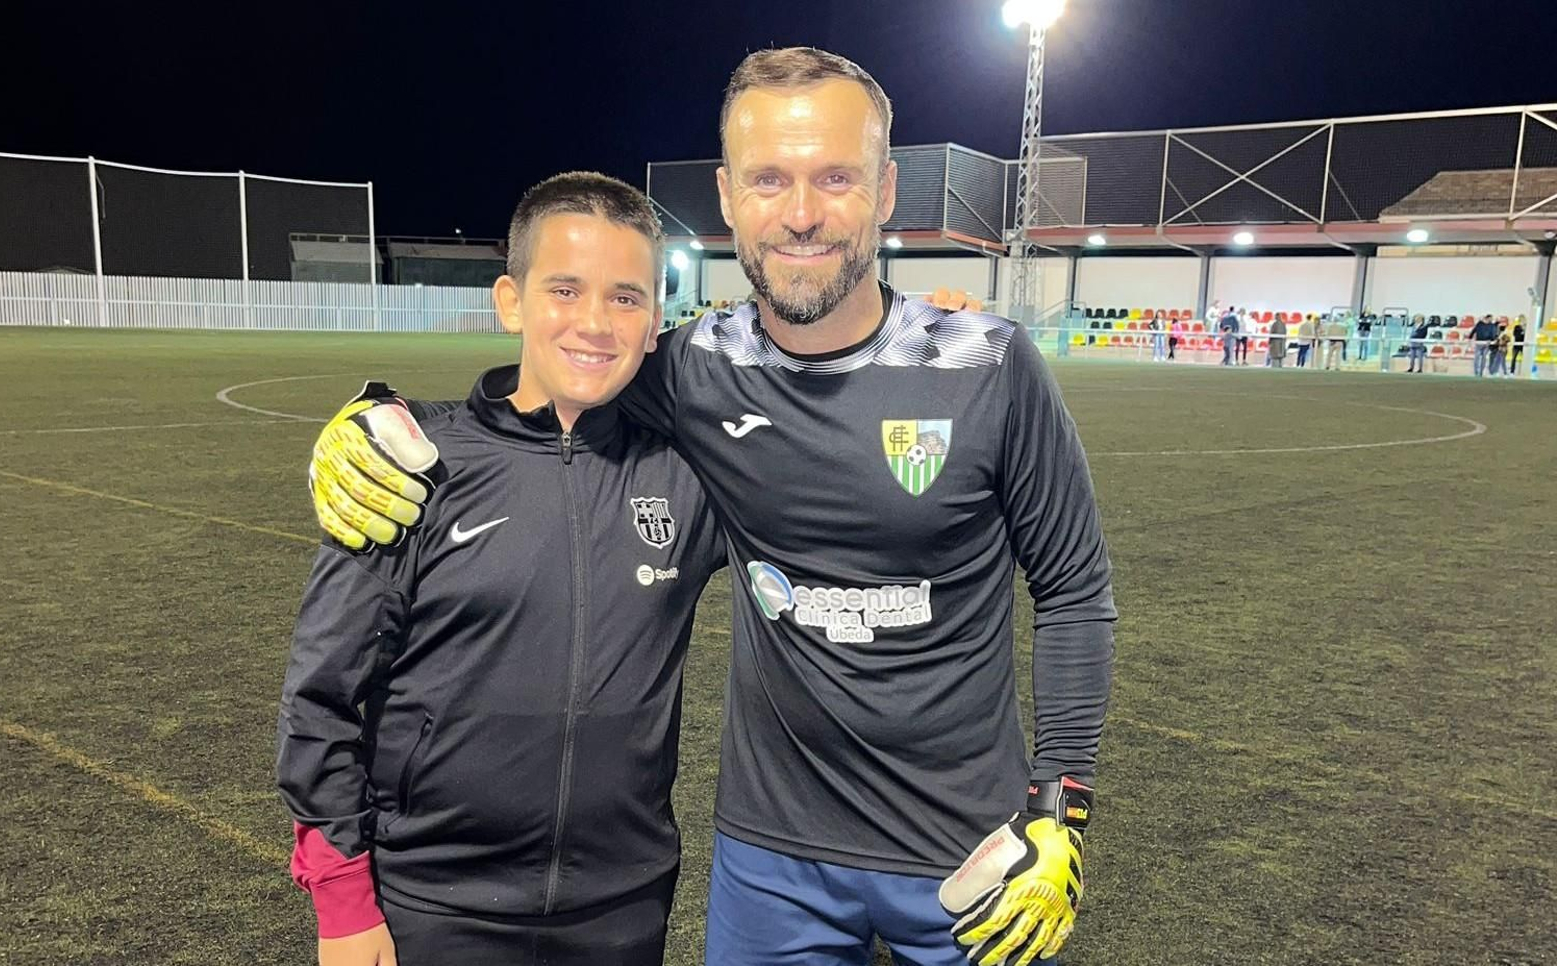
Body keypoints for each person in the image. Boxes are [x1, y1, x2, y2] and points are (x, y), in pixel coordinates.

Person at [305, 47, 1114, 966]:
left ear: (885, 191)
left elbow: (1076, 590)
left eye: (835, 177)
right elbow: (551, 384)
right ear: (728, 197)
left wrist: (1061, 806)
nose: (801, 213)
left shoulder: (990, 365)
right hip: (771, 862)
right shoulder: (686, 368)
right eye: (769, 179)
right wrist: (368, 418)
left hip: (974, 858)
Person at [278, 173, 726, 966]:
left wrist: (923, 336)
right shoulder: (410, 464)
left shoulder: (685, 476)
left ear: (656, 321)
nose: (594, 322)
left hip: (623, 906)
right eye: (564, 289)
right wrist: (343, 903)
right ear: (510, 301)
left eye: (626, 298)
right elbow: (321, 697)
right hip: (432, 904)